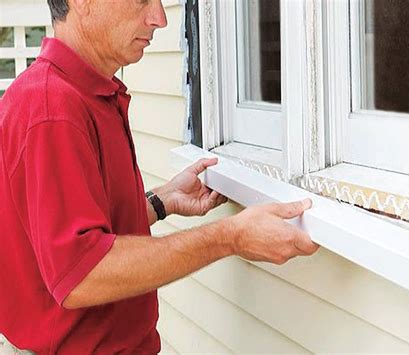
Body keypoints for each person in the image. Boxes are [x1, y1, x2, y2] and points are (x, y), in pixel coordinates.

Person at [0, 0, 319, 353]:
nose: (160, 18)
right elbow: (82, 274)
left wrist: (159, 202)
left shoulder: (81, 94)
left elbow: (60, 230)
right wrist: (230, 237)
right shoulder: (52, 109)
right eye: (142, 0)